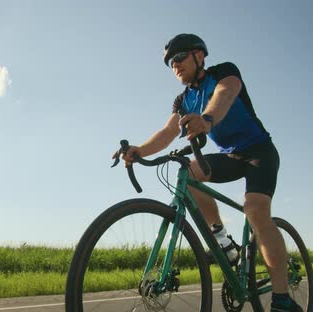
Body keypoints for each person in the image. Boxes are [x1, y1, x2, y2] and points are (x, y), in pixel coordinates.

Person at [118, 34, 302, 312]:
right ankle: (222, 239)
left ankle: (282, 299)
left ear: (199, 56)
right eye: (170, 63)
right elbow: (169, 132)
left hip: (259, 152)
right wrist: (140, 151)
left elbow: (224, 96)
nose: (175, 66)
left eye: (179, 58)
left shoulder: (224, 72)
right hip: (230, 156)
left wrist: (206, 119)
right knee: (188, 173)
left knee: (255, 209)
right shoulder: (183, 100)